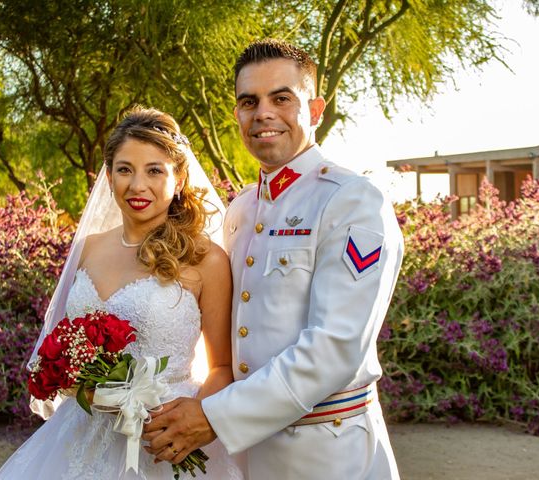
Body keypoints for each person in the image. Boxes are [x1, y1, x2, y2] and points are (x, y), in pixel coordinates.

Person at [143, 39, 404, 479]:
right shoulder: (240, 210)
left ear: (315, 110)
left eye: (281, 98)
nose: (263, 113)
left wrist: (213, 416)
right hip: (245, 455)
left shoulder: (354, 202)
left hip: (327, 454)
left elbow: (335, 348)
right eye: (249, 101)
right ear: (237, 116)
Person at [0, 107, 244, 480]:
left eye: (154, 170)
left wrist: (193, 425)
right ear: (108, 177)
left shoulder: (206, 259)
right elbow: (64, 342)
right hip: (82, 430)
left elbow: (223, 366)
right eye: (125, 169)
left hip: (164, 436)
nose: (137, 185)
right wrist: (75, 378)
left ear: (179, 179)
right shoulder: (90, 248)